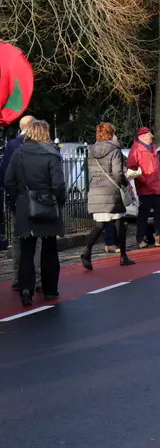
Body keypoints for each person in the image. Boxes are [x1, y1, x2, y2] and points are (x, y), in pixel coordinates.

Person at [3, 120, 66, 307]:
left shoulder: (18, 153)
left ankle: (25, 288)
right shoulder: (52, 153)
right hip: (47, 204)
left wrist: (18, 199)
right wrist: (58, 201)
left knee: (26, 250)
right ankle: (50, 290)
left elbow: (8, 181)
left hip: (25, 205)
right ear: (45, 133)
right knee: (49, 249)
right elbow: (59, 184)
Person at [80, 123, 136, 270]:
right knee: (119, 222)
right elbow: (117, 172)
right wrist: (125, 181)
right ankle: (123, 256)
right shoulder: (114, 149)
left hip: (97, 189)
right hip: (111, 190)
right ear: (111, 133)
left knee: (100, 224)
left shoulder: (91, 150)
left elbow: (91, 171)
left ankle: (87, 251)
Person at [0, 115, 42, 292]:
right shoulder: (44, 145)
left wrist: (13, 195)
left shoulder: (12, 146)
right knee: (38, 239)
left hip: (19, 200)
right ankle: (39, 278)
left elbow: (5, 176)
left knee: (19, 239)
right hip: (41, 200)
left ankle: (18, 277)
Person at [126, 127, 160, 248]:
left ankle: (159, 238)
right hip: (145, 188)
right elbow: (132, 169)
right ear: (142, 136)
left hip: (157, 187)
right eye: (149, 134)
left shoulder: (153, 148)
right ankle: (140, 239)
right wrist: (145, 180)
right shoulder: (136, 149)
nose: (151, 136)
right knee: (143, 215)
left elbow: (157, 168)